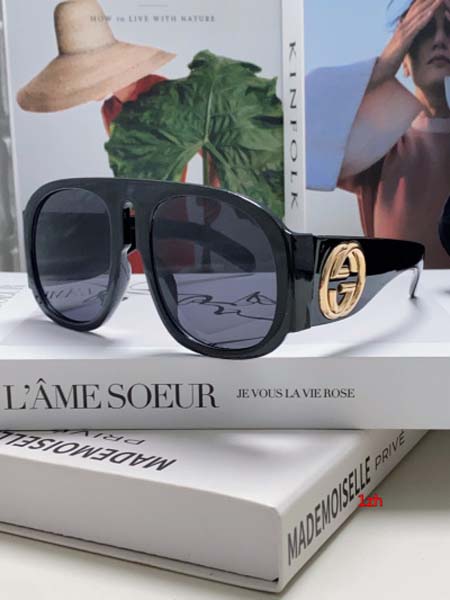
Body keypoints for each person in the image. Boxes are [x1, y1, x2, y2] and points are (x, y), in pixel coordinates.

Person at [306, 0, 450, 268]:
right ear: (405, 60)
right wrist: (383, 67)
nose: (440, 40)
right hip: (400, 294)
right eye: (425, 29)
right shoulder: (382, 144)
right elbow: (297, 132)